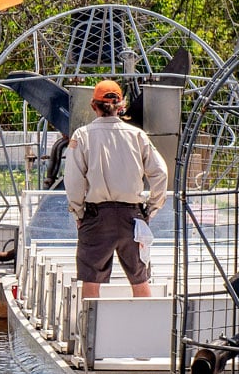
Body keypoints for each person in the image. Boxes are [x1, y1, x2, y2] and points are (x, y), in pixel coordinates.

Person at [63, 79, 169, 299]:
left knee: (91, 282)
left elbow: (73, 180)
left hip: (95, 216)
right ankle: (145, 328)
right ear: (121, 106)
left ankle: (89, 331)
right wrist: (150, 209)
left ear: (93, 106)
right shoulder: (137, 136)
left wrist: (78, 213)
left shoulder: (82, 136)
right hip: (132, 217)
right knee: (140, 279)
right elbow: (161, 173)